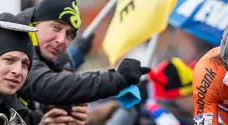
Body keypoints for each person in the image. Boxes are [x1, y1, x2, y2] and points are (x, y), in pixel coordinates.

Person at [15, 0, 150, 108]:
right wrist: (115, 79)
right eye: (56, 27)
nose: (61, 40)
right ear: (35, 24)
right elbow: (46, 85)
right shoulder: (15, 46)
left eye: (69, 35)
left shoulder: (62, 63)